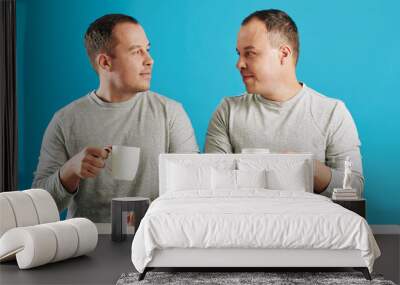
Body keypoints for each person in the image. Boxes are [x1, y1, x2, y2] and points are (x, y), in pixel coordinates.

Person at [33, 14, 199, 222]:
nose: (149, 60)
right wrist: (70, 172)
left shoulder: (171, 114)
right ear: (105, 62)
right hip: (87, 242)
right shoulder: (65, 121)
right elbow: (38, 205)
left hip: (154, 241)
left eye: (147, 50)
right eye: (136, 52)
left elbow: (193, 191)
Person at [205, 9, 363, 196]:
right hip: (245, 221)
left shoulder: (332, 113)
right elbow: (212, 186)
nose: (239, 64)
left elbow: (354, 189)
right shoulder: (228, 111)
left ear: (284, 54)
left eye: (250, 53)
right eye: (239, 54)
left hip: (311, 223)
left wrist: (306, 167)